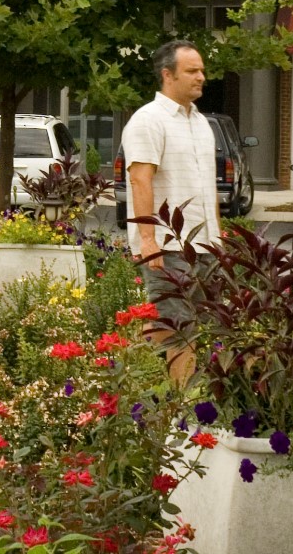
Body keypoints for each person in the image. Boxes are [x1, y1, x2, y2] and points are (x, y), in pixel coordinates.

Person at [121, 40, 216, 361]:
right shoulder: (148, 120)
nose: (201, 76)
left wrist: (219, 239)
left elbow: (207, 188)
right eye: (192, 71)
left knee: (207, 330)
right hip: (168, 247)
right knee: (178, 331)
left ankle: (181, 397)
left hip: (206, 247)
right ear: (168, 75)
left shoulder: (201, 123)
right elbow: (140, 179)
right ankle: (179, 408)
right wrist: (148, 241)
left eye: (202, 70)